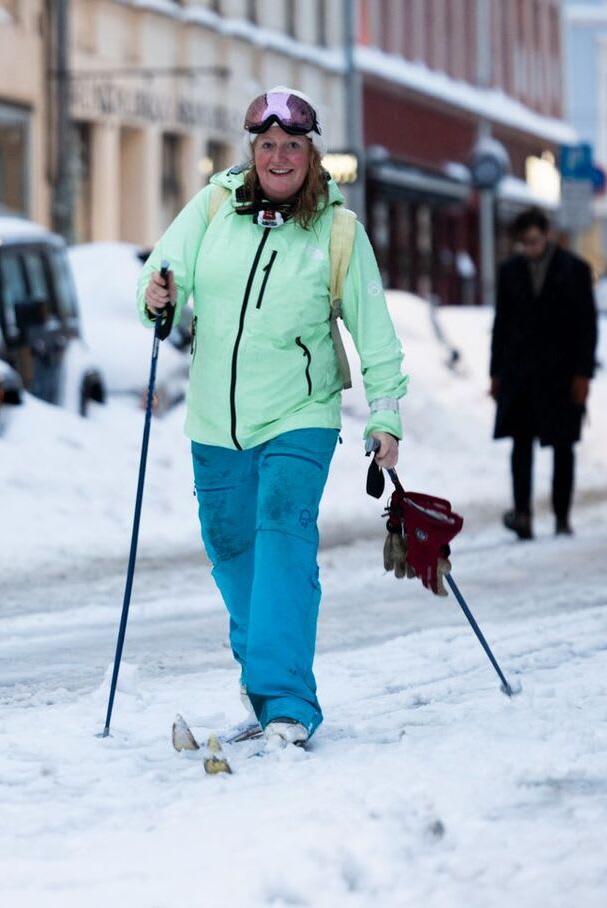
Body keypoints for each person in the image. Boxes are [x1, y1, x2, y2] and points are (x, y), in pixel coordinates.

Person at [136, 87, 408, 746]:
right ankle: (262, 680)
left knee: (283, 533)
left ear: (311, 154)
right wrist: (158, 294)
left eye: (291, 145)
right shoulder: (213, 208)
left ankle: (287, 701)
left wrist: (385, 415)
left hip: (300, 413)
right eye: (267, 145)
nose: (279, 156)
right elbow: (161, 276)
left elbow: (375, 332)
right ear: (252, 150)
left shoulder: (338, 232)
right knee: (233, 552)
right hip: (215, 420)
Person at [490, 208, 597, 540]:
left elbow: (587, 326)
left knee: (563, 446)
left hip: (562, 375)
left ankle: (562, 517)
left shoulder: (574, 270)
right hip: (521, 374)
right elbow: (501, 324)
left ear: (547, 235)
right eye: (524, 242)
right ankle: (523, 515)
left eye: (534, 240)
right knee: (521, 445)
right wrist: (496, 373)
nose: (530, 247)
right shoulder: (510, 271)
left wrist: (583, 374)